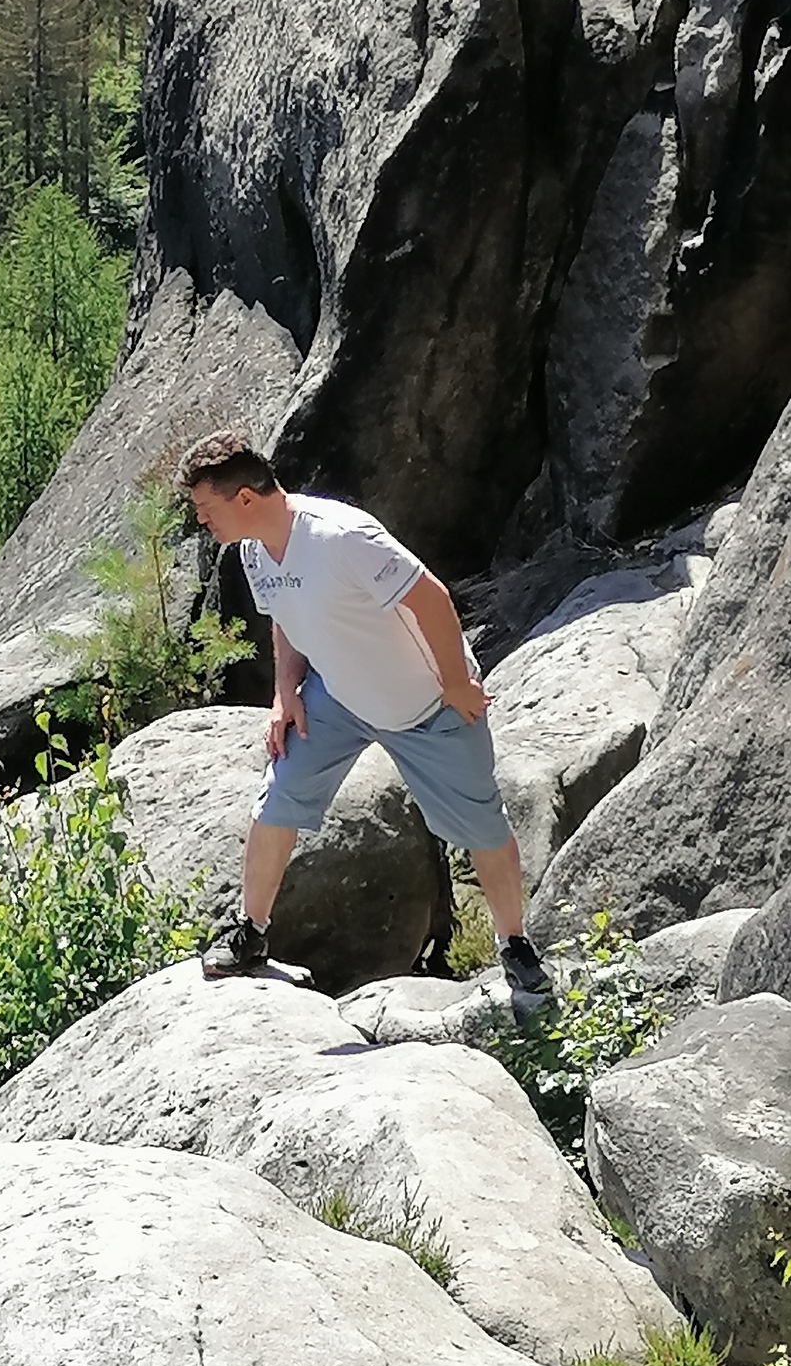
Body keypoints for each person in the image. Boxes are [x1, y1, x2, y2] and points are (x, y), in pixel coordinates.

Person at [178, 429, 552, 1003]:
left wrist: (456, 683)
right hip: (339, 698)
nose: (202, 522)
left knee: (483, 827)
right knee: (277, 797)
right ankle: (250, 933)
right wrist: (285, 693)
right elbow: (285, 618)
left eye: (206, 509)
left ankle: (514, 945)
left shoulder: (339, 537)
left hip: (427, 706)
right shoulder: (254, 550)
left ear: (245, 499)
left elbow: (430, 598)